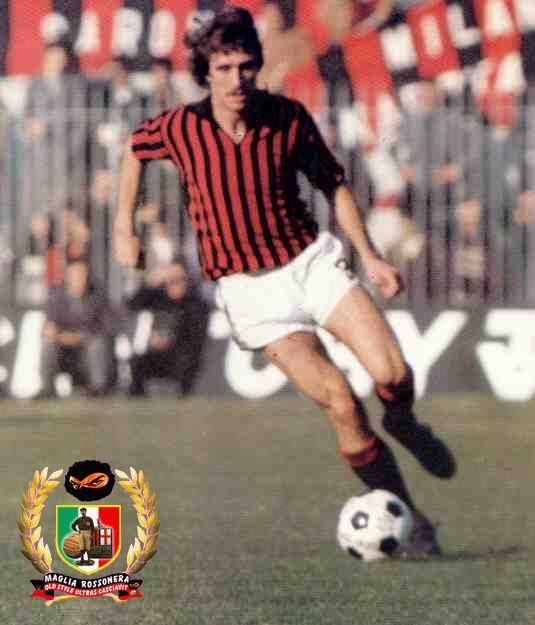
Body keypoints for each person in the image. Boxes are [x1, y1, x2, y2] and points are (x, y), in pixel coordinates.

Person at [113, 6, 456, 557]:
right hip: (252, 294)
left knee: (392, 372)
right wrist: (121, 227)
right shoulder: (181, 127)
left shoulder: (287, 118)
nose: (236, 79)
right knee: (342, 403)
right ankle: (412, 520)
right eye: (223, 69)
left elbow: (334, 185)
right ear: (205, 72)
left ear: (258, 64)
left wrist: (370, 256)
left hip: (310, 264)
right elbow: (135, 149)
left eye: (245, 66)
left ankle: (403, 420)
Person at [127, 257, 210, 397]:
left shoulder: (196, 304)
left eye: (179, 279)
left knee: (187, 362)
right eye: (171, 280)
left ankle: (185, 398)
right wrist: (148, 283)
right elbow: (132, 305)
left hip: (182, 355)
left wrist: (170, 341)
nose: (175, 284)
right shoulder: (157, 297)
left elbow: (195, 339)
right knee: (138, 362)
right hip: (158, 353)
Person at [39, 260, 117, 397]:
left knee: (98, 343)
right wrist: (56, 334)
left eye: (83, 276)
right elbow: (48, 326)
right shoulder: (56, 297)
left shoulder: (98, 297)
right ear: (67, 277)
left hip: (88, 344)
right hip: (63, 346)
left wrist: (80, 337)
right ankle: (47, 389)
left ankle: (98, 388)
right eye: (76, 276)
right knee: (47, 342)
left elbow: (106, 327)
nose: (80, 280)